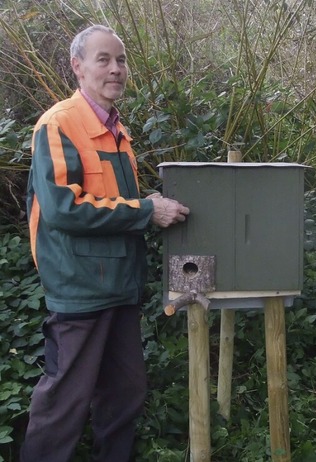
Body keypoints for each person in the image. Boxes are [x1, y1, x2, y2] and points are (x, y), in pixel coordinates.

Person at [22, 25, 190, 462]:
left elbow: (113, 203)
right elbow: (63, 209)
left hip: (119, 287)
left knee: (125, 394)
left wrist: (144, 203)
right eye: (103, 59)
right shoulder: (60, 124)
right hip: (80, 290)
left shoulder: (118, 131)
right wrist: (145, 212)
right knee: (65, 403)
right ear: (77, 68)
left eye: (120, 60)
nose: (115, 69)